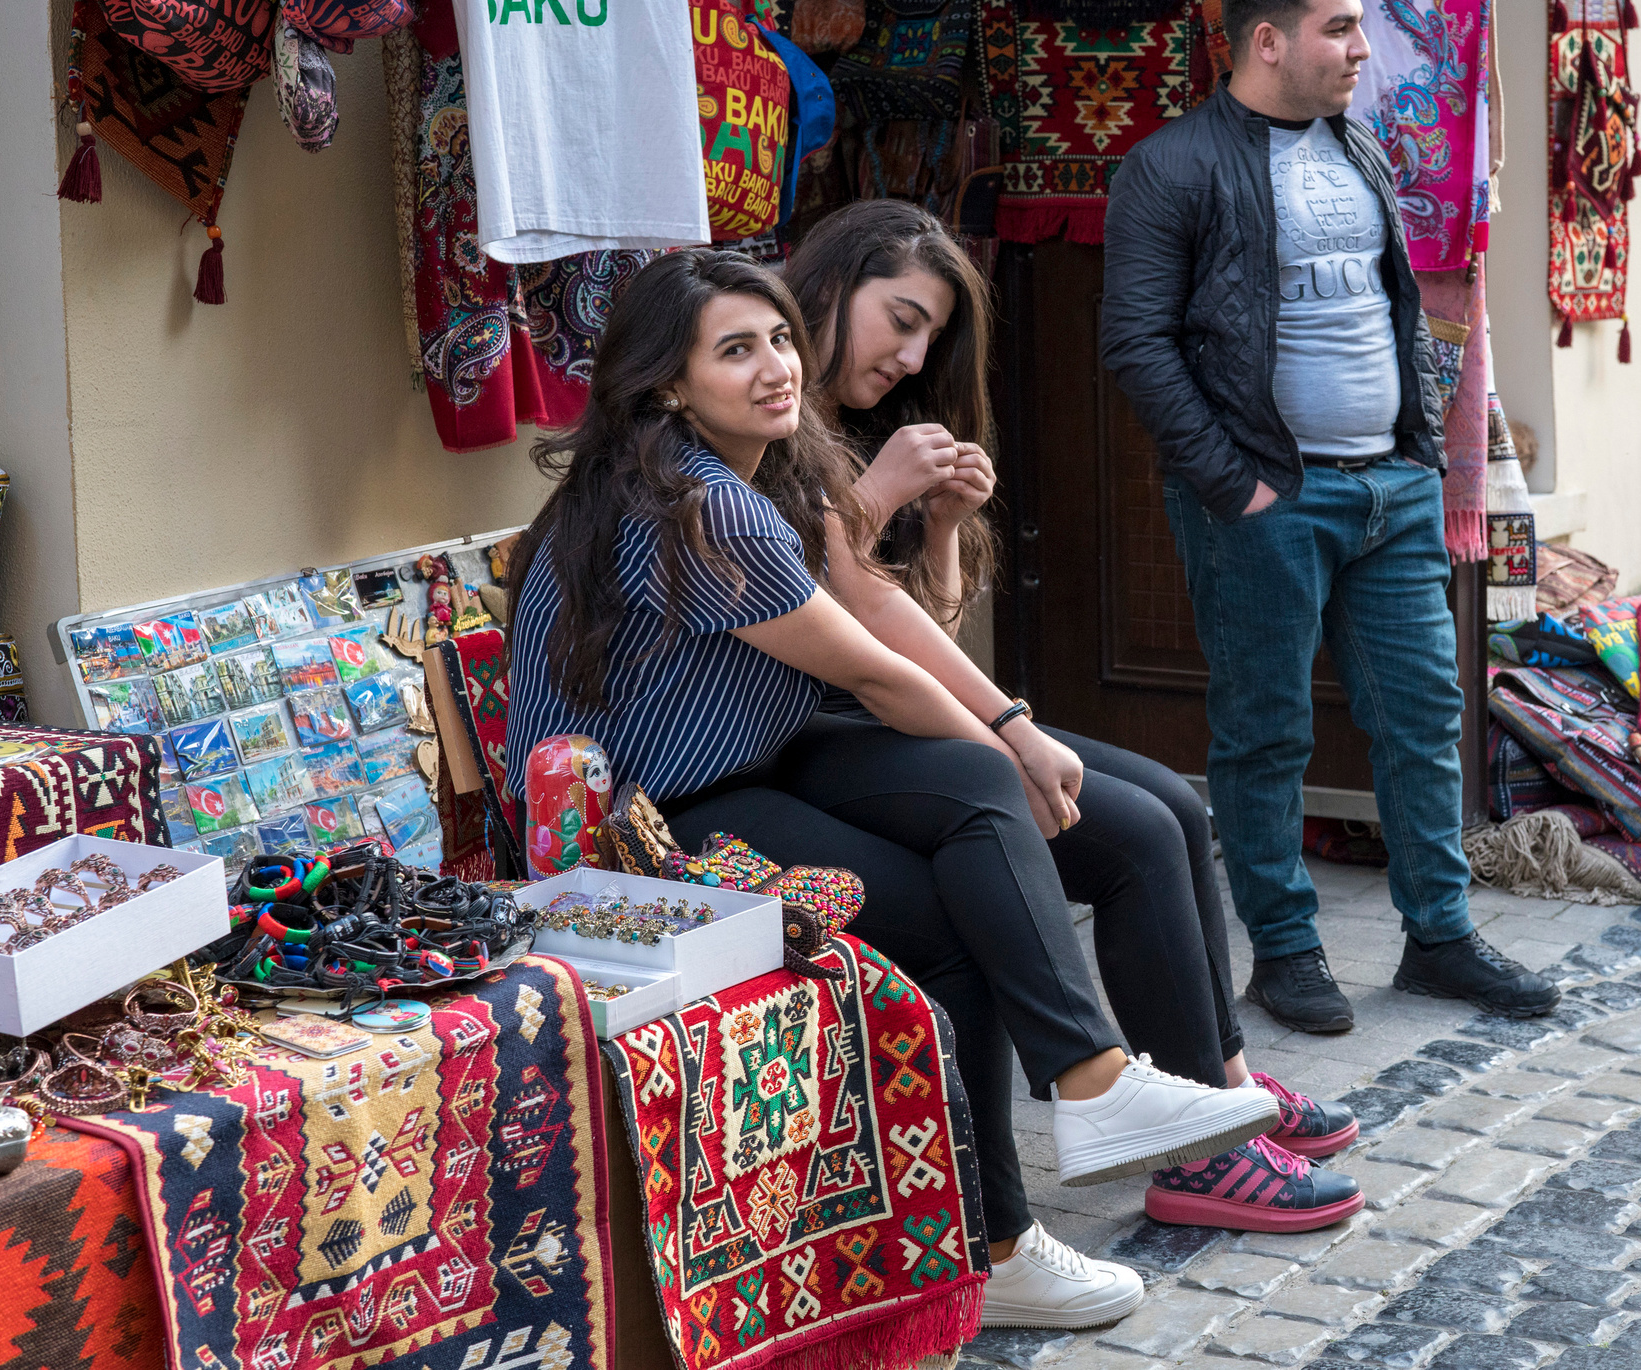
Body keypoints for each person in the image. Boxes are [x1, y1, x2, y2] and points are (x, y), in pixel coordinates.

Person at [504, 250, 1285, 1329]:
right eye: (737, 350)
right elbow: (866, 667)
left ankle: (1093, 1086)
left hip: (752, 757)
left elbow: (886, 615)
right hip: (646, 829)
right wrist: (1015, 738)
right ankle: (999, 1241)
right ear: (667, 385)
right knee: (947, 916)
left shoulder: (754, 469)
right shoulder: (694, 504)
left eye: (779, 338)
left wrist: (1002, 737)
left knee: (980, 785)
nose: (777, 367)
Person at [781, 199, 1365, 1232]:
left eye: (929, 337)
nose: (914, 358)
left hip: (883, 707)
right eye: (902, 319)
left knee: (1172, 811)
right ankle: (1192, 1146)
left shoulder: (862, 430)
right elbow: (827, 611)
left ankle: (1218, 1080)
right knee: (1131, 829)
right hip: (825, 726)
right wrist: (1006, 725)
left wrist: (948, 523)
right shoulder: (777, 430)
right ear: (833, 282)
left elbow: (924, 618)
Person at [1098, 0, 1560, 1033]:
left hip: (1391, 491)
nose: (1366, 47)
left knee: (1423, 713)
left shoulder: (1356, 146)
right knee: (1264, 730)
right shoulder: (1172, 167)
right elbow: (1135, 345)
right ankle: (1288, 951)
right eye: (1340, 26)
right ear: (1267, 39)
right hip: (1267, 497)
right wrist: (1234, 486)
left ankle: (1439, 938)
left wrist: (1415, 457)